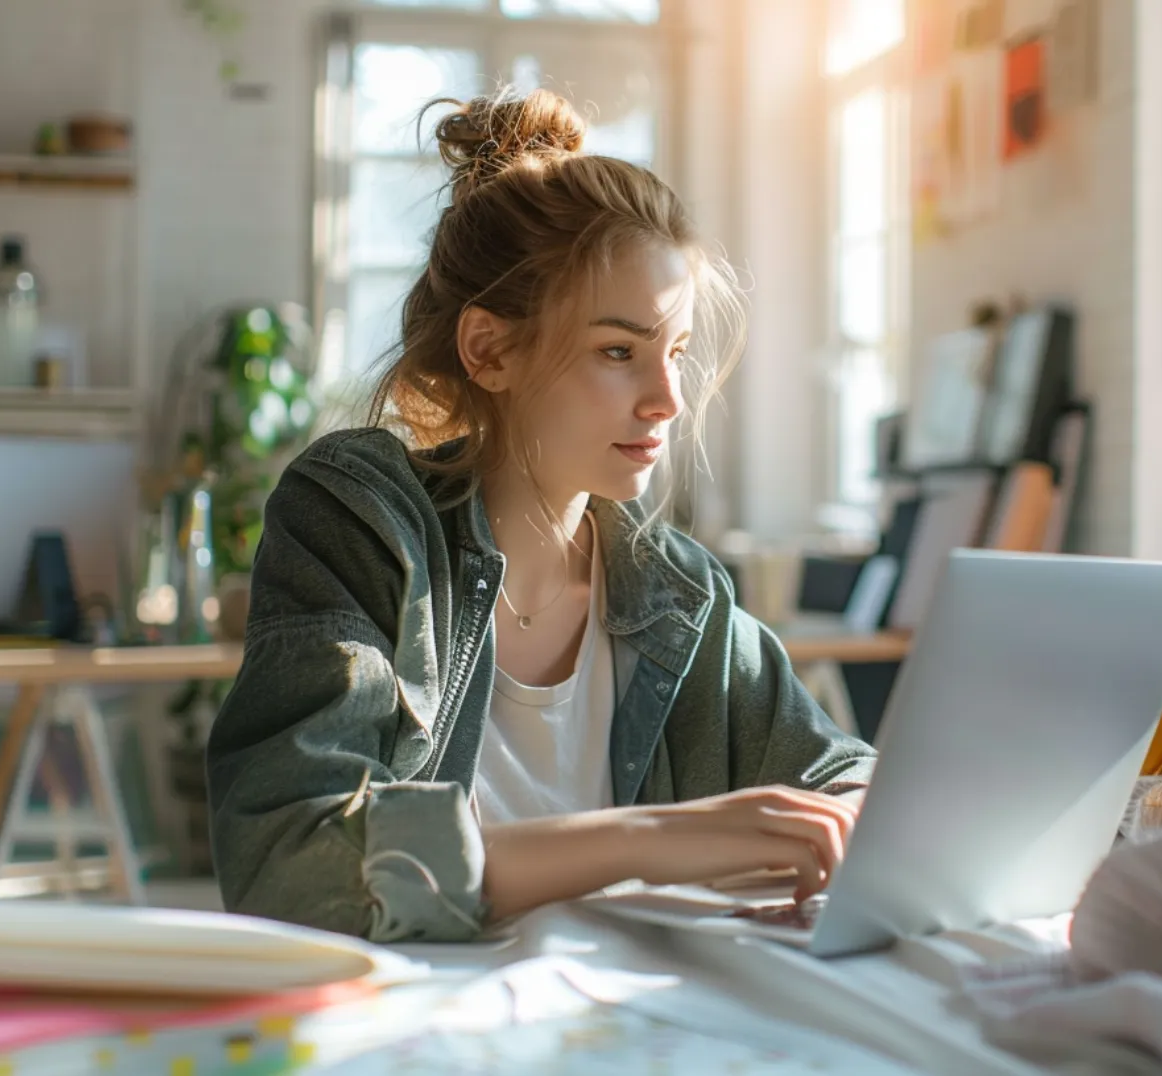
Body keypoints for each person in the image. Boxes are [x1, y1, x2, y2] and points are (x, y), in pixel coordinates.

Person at [207, 89, 875, 943]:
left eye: (674, 352)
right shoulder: (362, 519)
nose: (667, 398)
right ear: (490, 350)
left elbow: (840, 773)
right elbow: (291, 864)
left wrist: (857, 815)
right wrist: (656, 841)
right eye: (617, 352)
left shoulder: (675, 588)